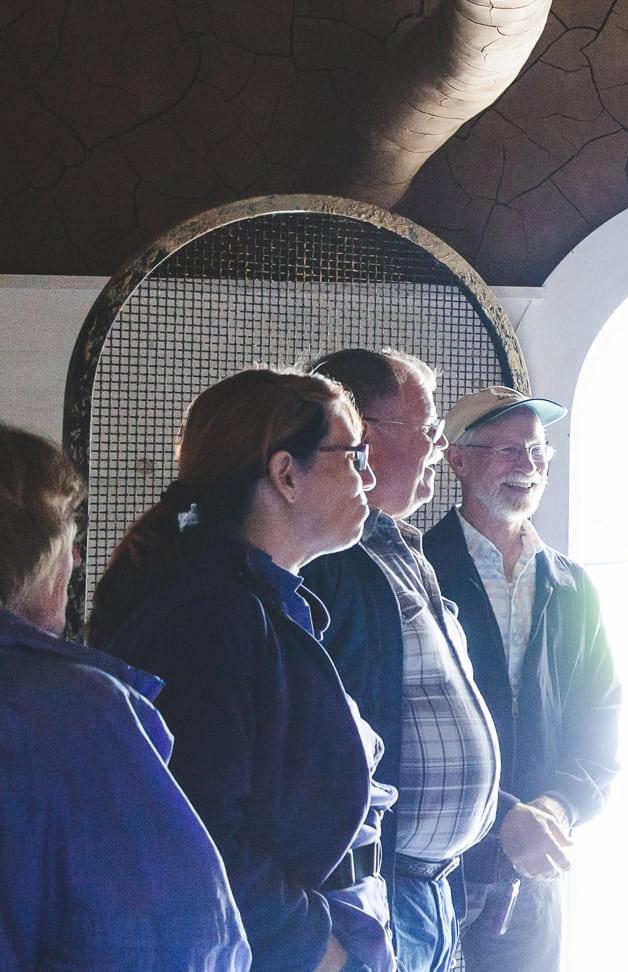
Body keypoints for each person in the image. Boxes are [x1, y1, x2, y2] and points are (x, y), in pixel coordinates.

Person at [90, 369, 398, 972]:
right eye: (354, 453)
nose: (370, 476)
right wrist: (317, 947)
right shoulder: (209, 617)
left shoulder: (258, 600)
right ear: (286, 474)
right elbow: (200, 835)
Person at [0, 422, 251, 971]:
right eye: (69, 529)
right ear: (36, 550)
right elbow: (175, 941)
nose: (79, 560)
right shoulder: (74, 715)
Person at [303, 350, 502, 972]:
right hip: (375, 895)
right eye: (430, 431)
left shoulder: (404, 548)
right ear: (360, 434)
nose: (441, 450)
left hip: (435, 890)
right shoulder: (327, 561)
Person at [424, 386, 621, 972]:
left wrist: (557, 810)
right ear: (457, 459)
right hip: (434, 873)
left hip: (535, 877)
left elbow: (600, 719)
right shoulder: (418, 569)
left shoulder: (571, 585)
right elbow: (400, 731)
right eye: (508, 451)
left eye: (537, 453)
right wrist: (503, 817)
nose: (528, 467)